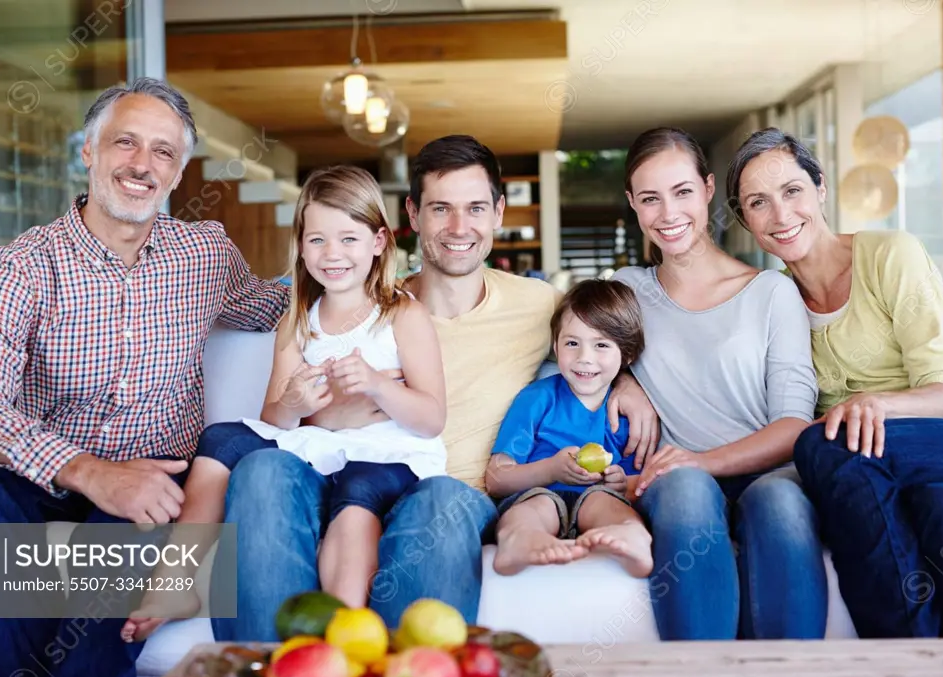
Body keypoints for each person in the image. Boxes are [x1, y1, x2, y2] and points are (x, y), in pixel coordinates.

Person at [209, 134, 661, 642]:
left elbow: (602, 335)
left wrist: (629, 380)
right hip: (339, 475)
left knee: (438, 501)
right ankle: (280, 668)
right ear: (412, 215)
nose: (458, 227)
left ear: (498, 213)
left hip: (451, 492)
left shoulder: (540, 304)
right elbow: (293, 311)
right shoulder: (369, 300)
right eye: (440, 208)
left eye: (474, 208)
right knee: (263, 468)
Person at [0, 78, 288, 677]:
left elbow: (268, 306)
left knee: (123, 545)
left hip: (151, 481)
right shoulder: (26, 262)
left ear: (179, 172)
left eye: (163, 151)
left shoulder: (205, 255)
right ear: (89, 151)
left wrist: (378, 282)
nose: (142, 164)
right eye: (125, 142)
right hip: (45, 473)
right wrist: (87, 471)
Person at [121, 165, 447, 641]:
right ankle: (178, 575)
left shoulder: (400, 314)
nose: (332, 255)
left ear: (378, 241)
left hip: (386, 454)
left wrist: (379, 385)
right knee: (222, 438)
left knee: (358, 494)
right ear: (300, 244)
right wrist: (295, 402)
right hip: (317, 449)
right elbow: (273, 419)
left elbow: (432, 418)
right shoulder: (298, 318)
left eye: (348, 239)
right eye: (317, 240)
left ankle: (344, 627)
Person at [727, 127, 943, 638]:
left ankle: (897, 658)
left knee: (822, 442)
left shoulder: (889, 255)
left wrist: (873, 404)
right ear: (745, 220)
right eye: (758, 203)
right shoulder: (773, 302)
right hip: (878, 469)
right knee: (942, 510)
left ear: (821, 189)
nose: (781, 214)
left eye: (792, 191)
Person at [611, 126, 827, 640]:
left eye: (682, 192)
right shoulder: (625, 291)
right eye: (650, 199)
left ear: (708, 189)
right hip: (675, 481)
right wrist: (623, 380)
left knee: (780, 502)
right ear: (633, 206)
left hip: (770, 470)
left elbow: (795, 424)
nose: (668, 214)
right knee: (684, 489)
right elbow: (574, 360)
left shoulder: (771, 291)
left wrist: (701, 460)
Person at [485, 278, 653, 578]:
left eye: (601, 345)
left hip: (598, 499)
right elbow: (497, 478)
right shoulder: (538, 398)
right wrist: (551, 470)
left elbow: (641, 482)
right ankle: (520, 539)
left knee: (606, 505)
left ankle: (632, 538)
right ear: (556, 346)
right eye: (572, 343)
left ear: (627, 354)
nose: (584, 357)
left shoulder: (629, 415)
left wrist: (621, 484)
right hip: (538, 493)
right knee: (532, 510)